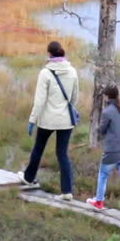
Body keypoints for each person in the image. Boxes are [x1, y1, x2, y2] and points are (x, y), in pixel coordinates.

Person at [17, 41, 79, 200]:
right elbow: (74, 98)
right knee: (62, 154)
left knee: (38, 148)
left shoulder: (45, 73)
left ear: (50, 54)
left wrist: (32, 120)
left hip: (47, 120)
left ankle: (29, 178)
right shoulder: (72, 72)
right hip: (66, 121)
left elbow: (39, 101)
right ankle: (67, 191)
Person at [86, 85, 120, 217]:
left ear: (107, 97)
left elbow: (102, 131)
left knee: (103, 175)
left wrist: (96, 126)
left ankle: (99, 202)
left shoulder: (107, 112)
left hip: (112, 152)